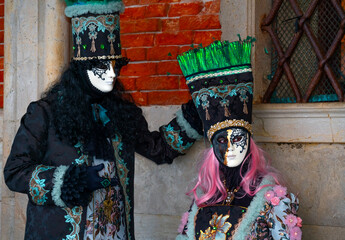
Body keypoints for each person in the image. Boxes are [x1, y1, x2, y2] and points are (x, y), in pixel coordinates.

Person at [3, 1, 202, 239]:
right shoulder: (44, 113)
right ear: (81, 68)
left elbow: (159, 149)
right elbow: (15, 172)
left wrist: (194, 116)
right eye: (100, 66)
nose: (110, 73)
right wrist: (67, 181)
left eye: (114, 65)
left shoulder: (120, 113)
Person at [176, 38, 302, 240]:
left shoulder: (271, 198)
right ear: (211, 147)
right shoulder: (204, 196)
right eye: (221, 141)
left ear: (249, 140)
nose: (230, 148)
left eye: (237, 138)